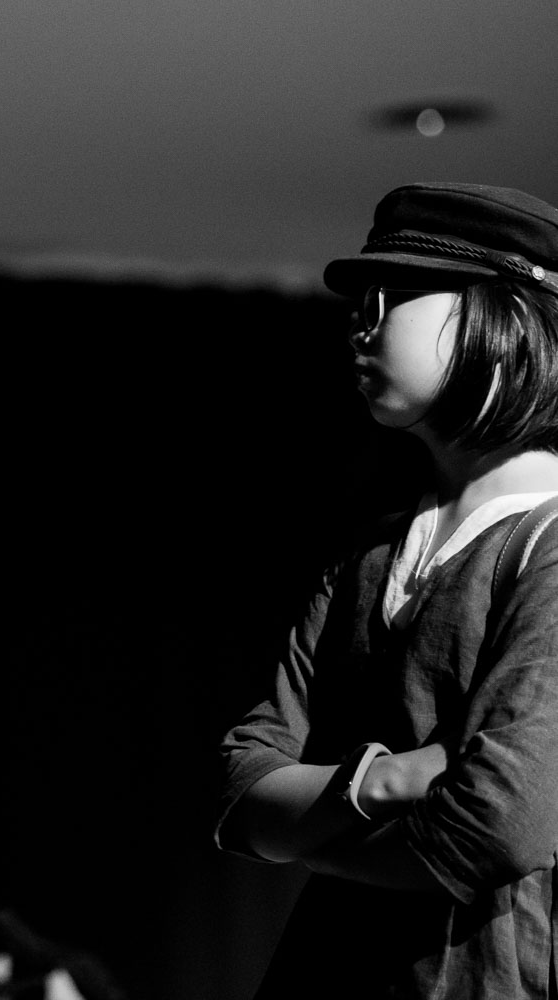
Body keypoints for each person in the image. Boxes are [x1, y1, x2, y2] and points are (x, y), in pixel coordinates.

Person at [216, 182, 558, 999]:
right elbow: (241, 788)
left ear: (502, 319)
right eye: (361, 300)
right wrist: (391, 778)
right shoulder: (369, 550)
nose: (360, 323)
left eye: (395, 295)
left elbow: (498, 827)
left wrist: (311, 828)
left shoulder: (548, 546)